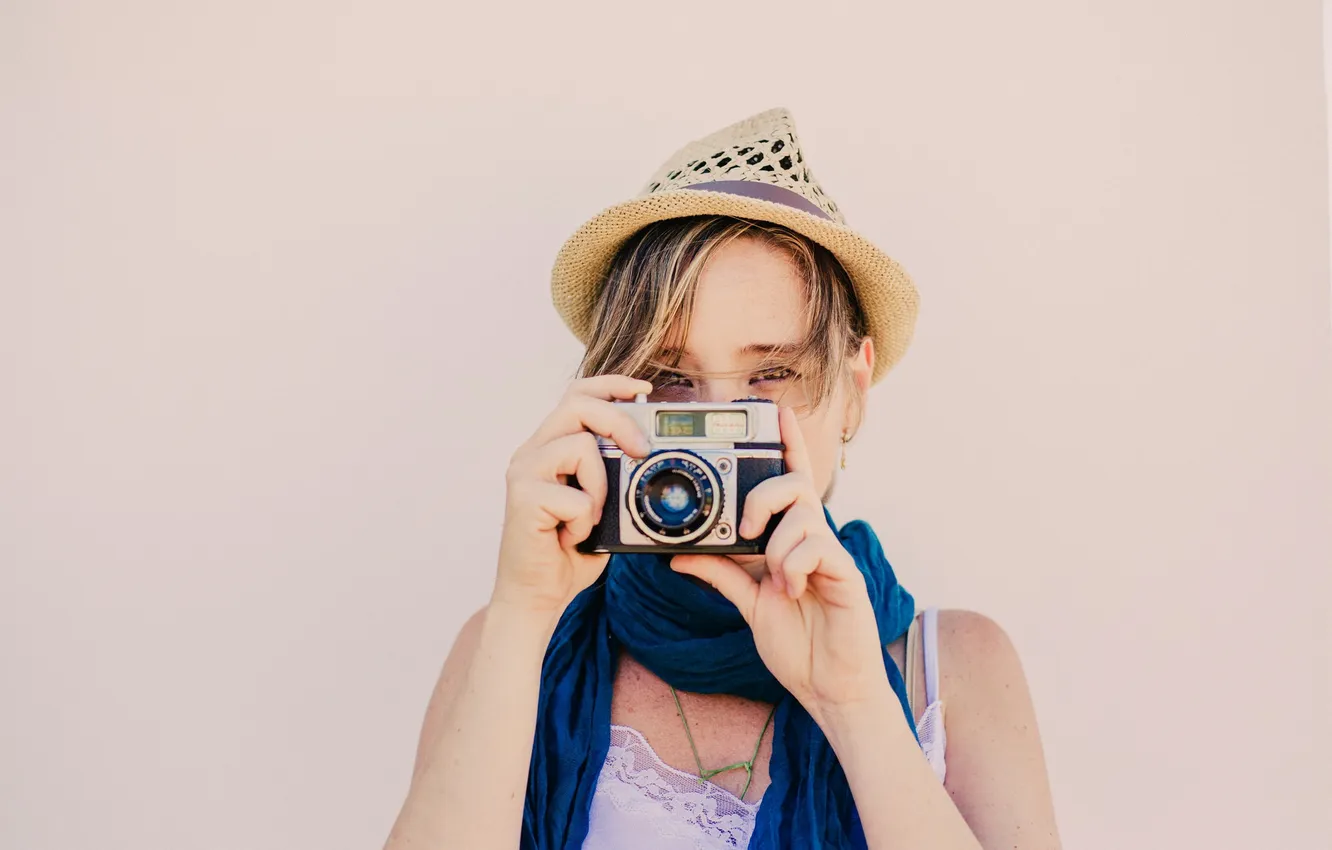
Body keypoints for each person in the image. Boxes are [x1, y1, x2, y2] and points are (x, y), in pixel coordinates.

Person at [384, 108, 1061, 849]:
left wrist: (855, 700)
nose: (715, 426)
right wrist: (523, 613)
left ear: (854, 391)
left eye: (770, 375)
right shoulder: (511, 642)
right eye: (671, 379)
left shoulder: (955, 668)